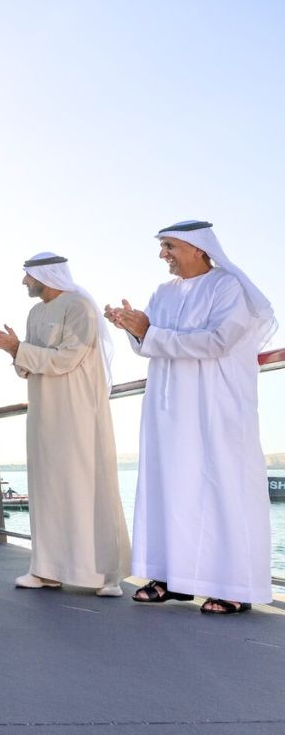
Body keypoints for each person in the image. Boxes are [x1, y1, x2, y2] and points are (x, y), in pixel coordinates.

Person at [105, 221, 274, 614]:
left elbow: (219, 341)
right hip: (168, 407)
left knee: (224, 487)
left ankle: (235, 586)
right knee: (171, 486)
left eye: (169, 246)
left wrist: (150, 332)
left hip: (217, 405)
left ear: (199, 248)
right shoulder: (163, 292)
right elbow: (148, 344)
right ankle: (173, 578)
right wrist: (135, 329)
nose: (163, 254)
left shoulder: (229, 287)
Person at [0, 254, 129, 596]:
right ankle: (47, 570)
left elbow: (68, 358)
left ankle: (107, 575)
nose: (24, 282)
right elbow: (29, 364)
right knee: (47, 488)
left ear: (44, 276)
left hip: (79, 411)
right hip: (43, 413)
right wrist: (13, 351)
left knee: (88, 485)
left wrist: (19, 348)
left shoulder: (80, 307)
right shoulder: (35, 313)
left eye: (27, 276)